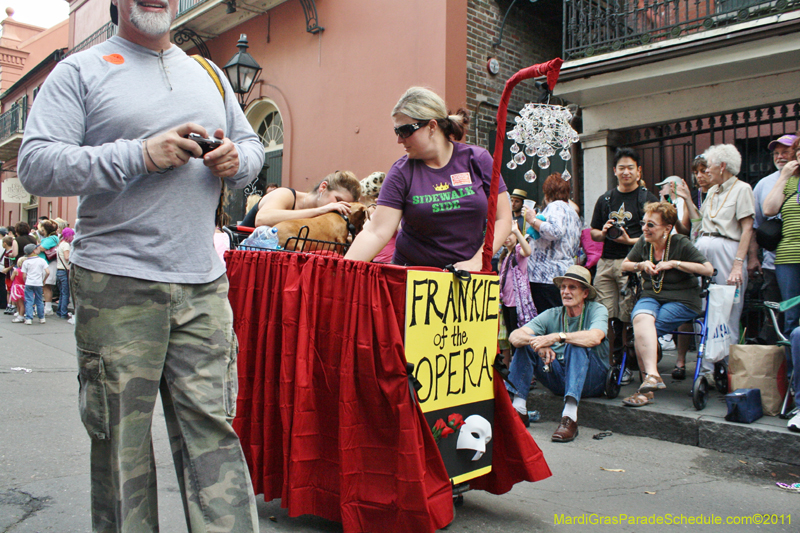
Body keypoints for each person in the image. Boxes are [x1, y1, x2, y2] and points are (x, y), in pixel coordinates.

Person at [18, 0, 264, 529]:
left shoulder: (209, 72)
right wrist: (140, 154)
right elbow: (35, 163)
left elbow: (252, 146)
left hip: (203, 284)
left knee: (213, 436)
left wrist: (237, 160)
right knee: (121, 447)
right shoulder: (79, 70)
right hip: (117, 285)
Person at [345, 86, 512, 269]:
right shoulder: (402, 171)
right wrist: (340, 273)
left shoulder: (477, 160)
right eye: (397, 132)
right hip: (414, 279)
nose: (399, 140)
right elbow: (376, 231)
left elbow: (503, 218)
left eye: (405, 131)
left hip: (466, 279)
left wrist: (477, 261)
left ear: (432, 126)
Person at [620, 202, 713, 404]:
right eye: (644, 223)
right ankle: (652, 377)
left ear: (667, 228)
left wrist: (675, 264)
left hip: (683, 299)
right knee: (640, 319)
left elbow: (707, 269)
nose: (645, 228)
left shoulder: (680, 243)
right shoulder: (645, 243)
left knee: (645, 331)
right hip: (651, 296)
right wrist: (641, 264)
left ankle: (646, 391)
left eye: (651, 225)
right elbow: (624, 264)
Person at [506, 265, 609, 442]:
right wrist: (537, 343)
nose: (565, 292)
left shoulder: (597, 310)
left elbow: (595, 337)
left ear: (585, 293)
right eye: (563, 287)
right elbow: (515, 336)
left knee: (575, 343)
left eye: (572, 287)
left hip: (592, 380)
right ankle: (519, 410)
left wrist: (557, 337)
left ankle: (570, 417)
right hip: (559, 377)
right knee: (528, 342)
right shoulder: (552, 313)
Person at [590, 147, 658, 359]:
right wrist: (602, 233)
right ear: (614, 170)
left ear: (638, 171)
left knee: (628, 314)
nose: (626, 172)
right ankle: (611, 359)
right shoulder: (606, 199)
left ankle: (630, 360)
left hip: (632, 263)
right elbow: (593, 232)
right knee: (604, 314)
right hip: (606, 263)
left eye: (630, 168)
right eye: (622, 168)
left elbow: (657, 234)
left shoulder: (647, 198)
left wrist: (629, 240)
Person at [695, 144, 755, 356]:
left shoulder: (742, 189)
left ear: (722, 166)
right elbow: (701, 222)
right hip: (705, 249)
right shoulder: (711, 191)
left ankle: (728, 365)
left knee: (728, 307)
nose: (706, 170)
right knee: (704, 307)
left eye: (709, 166)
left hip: (728, 251)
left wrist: (738, 264)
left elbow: (747, 228)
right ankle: (707, 363)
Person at [750, 134, 796, 343]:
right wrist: (753, 257)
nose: (780, 157)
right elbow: (758, 221)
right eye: (776, 153)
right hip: (778, 260)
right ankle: (785, 370)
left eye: (785, 152)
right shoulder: (766, 184)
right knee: (783, 317)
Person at [526, 172, 582, 313]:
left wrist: (532, 220)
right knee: (560, 317)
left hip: (546, 276)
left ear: (547, 192)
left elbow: (555, 231)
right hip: (563, 272)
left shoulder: (555, 206)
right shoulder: (572, 212)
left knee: (549, 320)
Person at [241, 170, 361, 228]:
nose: (338, 206)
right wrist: (321, 210)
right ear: (323, 187)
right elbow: (262, 219)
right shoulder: (286, 194)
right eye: (337, 199)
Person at [498, 223, 535, 366]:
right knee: (510, 339)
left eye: (510, 235)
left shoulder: (518, 250)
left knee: (518, 340)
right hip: (506, 302)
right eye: (505, 235)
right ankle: (515, 371)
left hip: (517, 304)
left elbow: (528, 251)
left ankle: (524, 373)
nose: (507, 238)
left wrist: (517, 232)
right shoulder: (505, 255)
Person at [34, 219, 59, 316]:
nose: (42, 232)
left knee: (46, 286)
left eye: (43, 230)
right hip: (47, 264)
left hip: (48, 264)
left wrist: (35, 245)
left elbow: (41, 248)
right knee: (44, 286)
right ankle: (46, 307)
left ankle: (48, 308)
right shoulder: (51, 238)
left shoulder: (51, 238)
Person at [21, 244, 49, 325]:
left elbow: (24, 275)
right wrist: (44, 280)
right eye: (37, 248)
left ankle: (29, 318)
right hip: (38, 283)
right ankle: (41, 317)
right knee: (39, 300)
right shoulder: (41, 261)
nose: (39, 249)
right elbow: (47, 272)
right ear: (34, 251)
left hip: (29, 282)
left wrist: (25, 281)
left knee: (29, 300)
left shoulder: (25, 262)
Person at [56, 227, 74, 322]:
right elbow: (67, 257)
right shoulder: (66, 245)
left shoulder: (60, 244)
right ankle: (63, 312)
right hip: (64, 270)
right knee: (65, 293)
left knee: (62, 293)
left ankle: (59, 311)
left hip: (59, 270)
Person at [8, 255, 26, 322]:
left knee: (19, 303)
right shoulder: (25, 272)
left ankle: (20, 316)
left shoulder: (16, 271)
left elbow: (12, 278)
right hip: (23, 287)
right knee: (22, 303)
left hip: (17, 288)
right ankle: (20, 314)